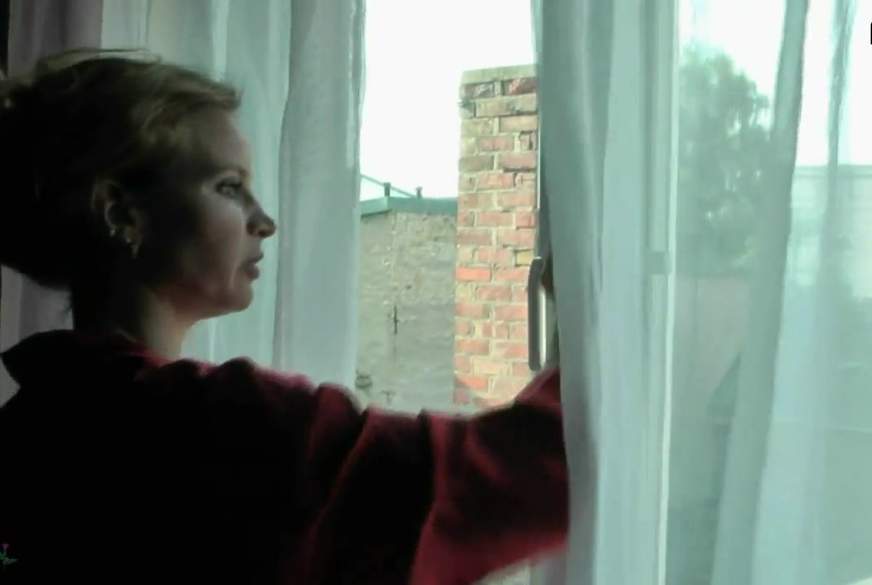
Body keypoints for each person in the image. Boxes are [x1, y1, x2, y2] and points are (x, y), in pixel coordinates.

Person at [0, 50, 567, 584]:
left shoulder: (33, 422)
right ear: (122, 213)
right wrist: (583, 309)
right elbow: (521, 478)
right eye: (229, 187)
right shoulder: (214, 425)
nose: (264, 222)